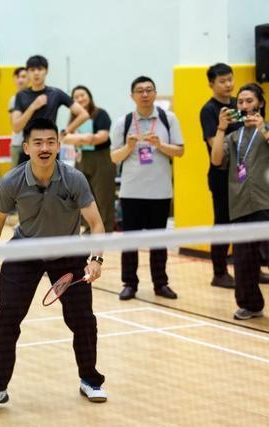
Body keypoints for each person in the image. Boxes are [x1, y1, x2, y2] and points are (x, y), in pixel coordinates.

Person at [0, 117, 107, 412]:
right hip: (25, 251)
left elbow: (96, 222)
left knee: (82, 319)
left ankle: (90, 379)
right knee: (7, 319)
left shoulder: (74, 179)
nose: (44, 148)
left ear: (58, 145)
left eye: (50, 142)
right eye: (38, 142)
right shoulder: (13, 181)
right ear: (27, 147)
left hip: (68, 252)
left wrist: (96, 259)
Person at [110, 76, 184, 301]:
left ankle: (161, 284)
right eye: (140, 91)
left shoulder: (167, 118)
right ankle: (129, 284)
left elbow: (180, 151)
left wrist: (160, 145)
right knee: (129, 241)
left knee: (158, 241)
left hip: (160, 192)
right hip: (131, 192)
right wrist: (129, 147)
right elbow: (115, 157)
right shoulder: (123, 122)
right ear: (132, 96)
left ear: (154, 93)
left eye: (149, 90)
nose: (145, 94)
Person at [200, 63, 269, 288]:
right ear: (211, 84)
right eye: (222, 80)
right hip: (227, 181)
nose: (228, 84)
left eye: (231, 79)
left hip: (258, 189)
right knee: (225, 226)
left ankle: (256, 269)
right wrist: (222, 128)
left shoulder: (258, 124)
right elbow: (216, 155)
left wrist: (262, 128)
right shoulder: (212, 112)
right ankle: (220, 272)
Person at [211, 83, 269, 320]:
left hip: (265, 204)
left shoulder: (266, 130)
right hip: (240, 205)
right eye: (240, 102)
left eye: (249, 101)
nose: (244, 106)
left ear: (260, 104)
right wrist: (221, 128)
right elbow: (216, 160)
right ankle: (251, 305)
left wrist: (263, 128)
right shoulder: (234, 136)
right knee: (244, 262)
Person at [11, 55, 89, 165]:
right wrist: (33, 107)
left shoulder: (55, 93)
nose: (36, 73)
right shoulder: (21, 95)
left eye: (40, 69)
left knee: (50, 181)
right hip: (29, 148)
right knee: (25, 181)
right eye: (32, 70)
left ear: (46, 71)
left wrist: (65, 132)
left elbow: (83, 114)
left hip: (50, 148)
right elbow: (16, 127)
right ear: (28, 73)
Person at [62, 85, 116, 232]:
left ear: (89, 96)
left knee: (103, 197)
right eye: (76, 97)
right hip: (81, 159)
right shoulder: (74, 118)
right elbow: (64, 138)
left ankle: (106, 229)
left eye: (82, 95)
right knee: (84, 196)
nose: (80, 99)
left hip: (102, 159)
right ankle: (88, 228)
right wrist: (86, 138)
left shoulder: (101, 114)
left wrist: (77, 138)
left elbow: (101, 137)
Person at [8, 66, 28, 165]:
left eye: (24, 77)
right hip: (17, 144)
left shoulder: (36, 97)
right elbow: (13, 124)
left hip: (33, 143)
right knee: (17, 176)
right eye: (18, 77)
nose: (20, 80)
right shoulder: (13, 99)